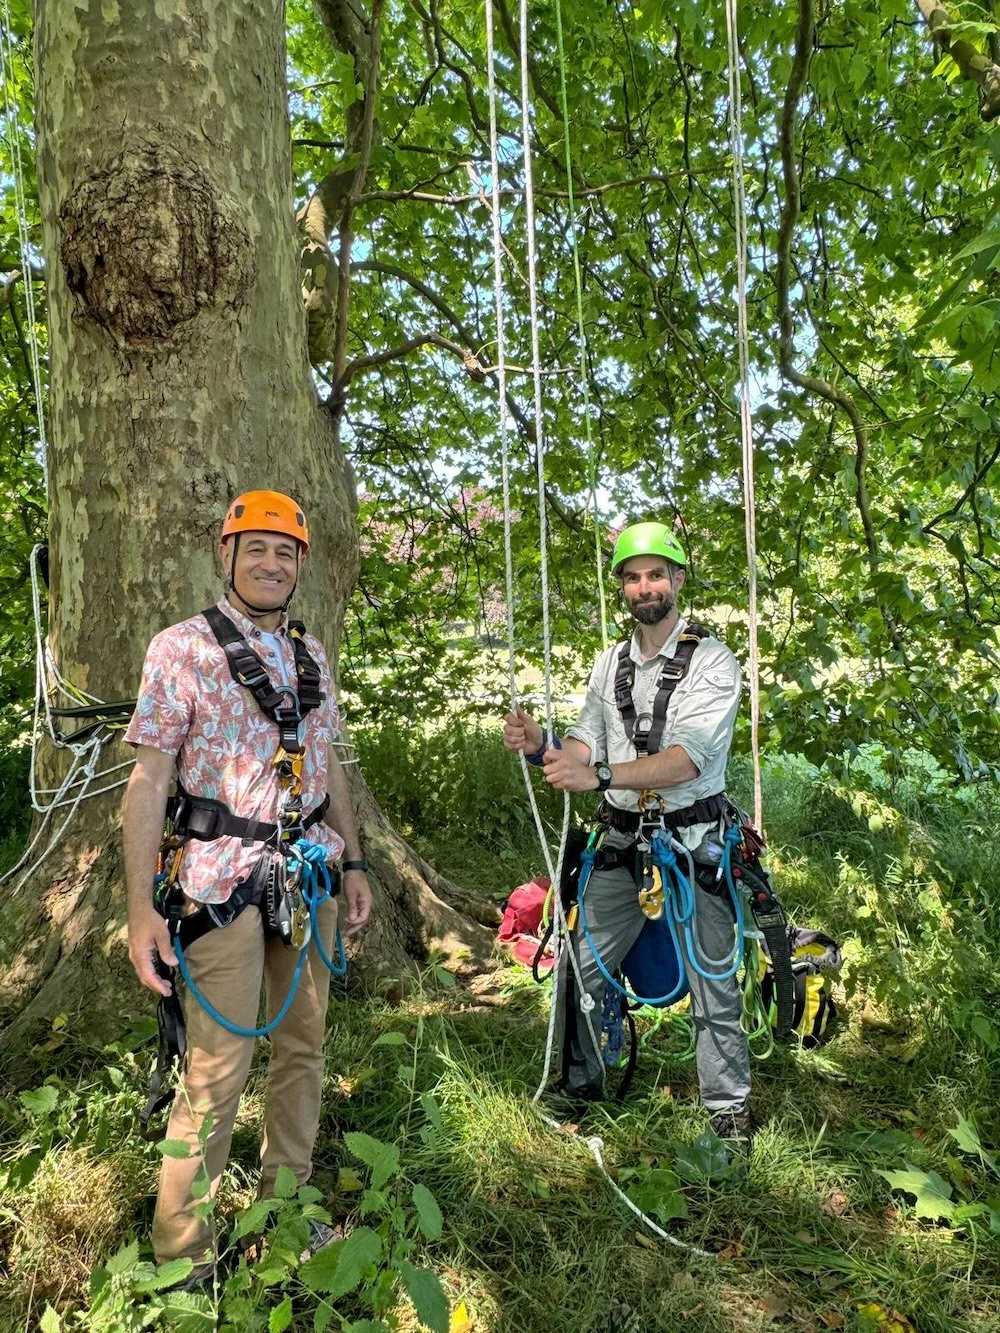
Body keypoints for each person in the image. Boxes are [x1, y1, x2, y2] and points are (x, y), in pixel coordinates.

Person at [122, 490, 373, 1275]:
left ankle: (289, 1214)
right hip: (218, 880)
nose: (271, 563)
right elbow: (148, 782)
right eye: (255, 548)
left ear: (301, 565)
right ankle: (185, 1255)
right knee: (216, 1068)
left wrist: (355, 860)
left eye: (285, 552)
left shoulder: (312, 654)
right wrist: (139, 911)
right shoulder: (180, 648)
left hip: (306, 874)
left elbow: (327, 765)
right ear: (225, 557)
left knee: (303, 1046)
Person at [503, 521, 750, 1138]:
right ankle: (580, 1085)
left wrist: (601, 774)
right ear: (623, 587)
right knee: (579, 965)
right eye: (633, 577)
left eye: (656, 574)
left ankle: (727, 1113)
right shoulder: (609, 662)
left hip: (692, 843)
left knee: (712, 981)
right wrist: (544, 748)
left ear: (677, 580)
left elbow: (687, 758)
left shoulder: (713, 662)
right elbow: (586, 742)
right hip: (621, 845)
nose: (645, 587)